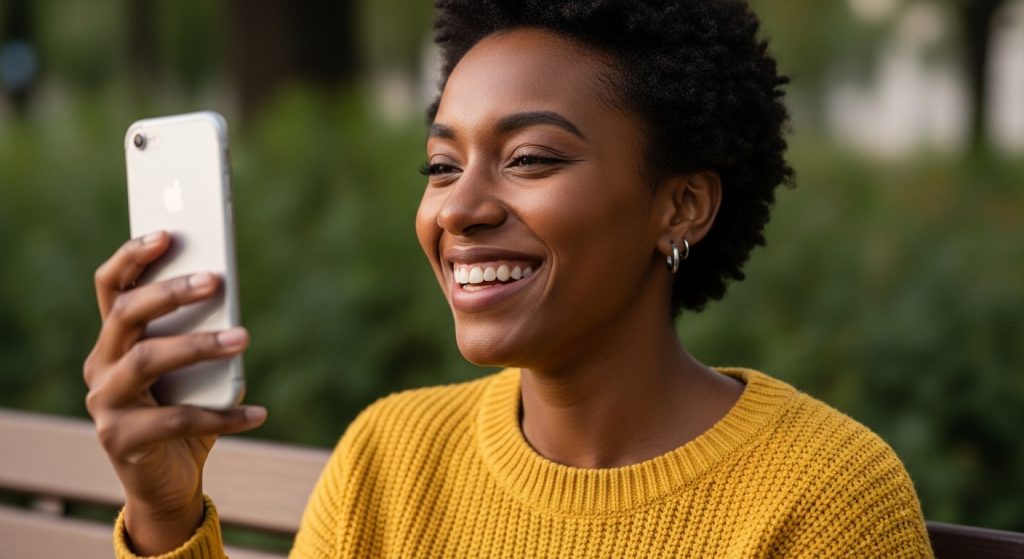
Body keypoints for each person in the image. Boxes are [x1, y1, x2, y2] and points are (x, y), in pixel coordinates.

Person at [84, 1, 934, 557]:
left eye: (529, 158)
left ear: (681, 205)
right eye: (442, 164)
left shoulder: (823, 499)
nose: (459, 209)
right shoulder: (391, 457)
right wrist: (165, 514)